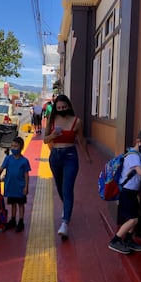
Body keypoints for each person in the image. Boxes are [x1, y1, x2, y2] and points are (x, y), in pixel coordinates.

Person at [43, 94, 91, 239]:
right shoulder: (51, 120)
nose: (62, 109)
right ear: (55, 109)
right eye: (59, 108)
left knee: (67, 188)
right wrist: (52, 136)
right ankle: (66, 208)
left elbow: (81, 140)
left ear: (69, 106)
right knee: (59, 187)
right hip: (55, 156)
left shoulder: (77, 122)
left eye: (64, 107)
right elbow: (45, 140)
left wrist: (87, 156)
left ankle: (65, 223)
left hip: (70, 156)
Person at [0, 136, 31, 233]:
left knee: (21, 204)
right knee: (13, 204)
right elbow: (0, 170)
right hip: (10, 186)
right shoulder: (8, 159)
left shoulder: (24, 161)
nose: (13, 148)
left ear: (21, 147)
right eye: (12, 146)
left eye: (16, 146)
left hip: (20, 186)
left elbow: (26, 175)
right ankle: (13, 219)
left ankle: (21, 221)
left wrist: (26, 187)